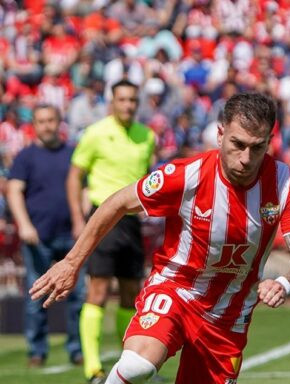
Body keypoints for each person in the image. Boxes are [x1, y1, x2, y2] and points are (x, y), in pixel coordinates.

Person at [30, 92, 290, 384]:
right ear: (220, 135)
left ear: (269, 142)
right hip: (175, 290)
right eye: (238, 145)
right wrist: (71, 263)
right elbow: (116, 202)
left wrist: (284, 283)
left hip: (228, 315)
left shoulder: (285, 183)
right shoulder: (187, 175)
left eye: (257, 148)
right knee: (137, 365)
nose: (246, 159)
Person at [67, 79, 156, 383]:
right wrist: (80, 219)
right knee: (98, 290)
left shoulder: (148, 136)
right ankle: (93, 368)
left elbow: (148, 180)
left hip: (131, 223)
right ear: (112, 102)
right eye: (122, 99)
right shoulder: (95, 134)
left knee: (132, 293)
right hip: (101, 218)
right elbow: (75, 175)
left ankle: (129, 363)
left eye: (133, 100)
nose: (128, 105)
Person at [6, 104, 85, 367]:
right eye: (41, 121)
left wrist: (82, 218)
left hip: (72, 237)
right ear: (35, 125)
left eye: (51, 120)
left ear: (59, 122)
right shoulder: (25, 157)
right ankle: (36, 352)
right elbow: (14, 191)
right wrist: (24, 225)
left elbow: (84, 187)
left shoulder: (73, 154)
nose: (47, 125)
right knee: (36, 296)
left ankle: (77, 350)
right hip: (38, 238)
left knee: (77, 296)